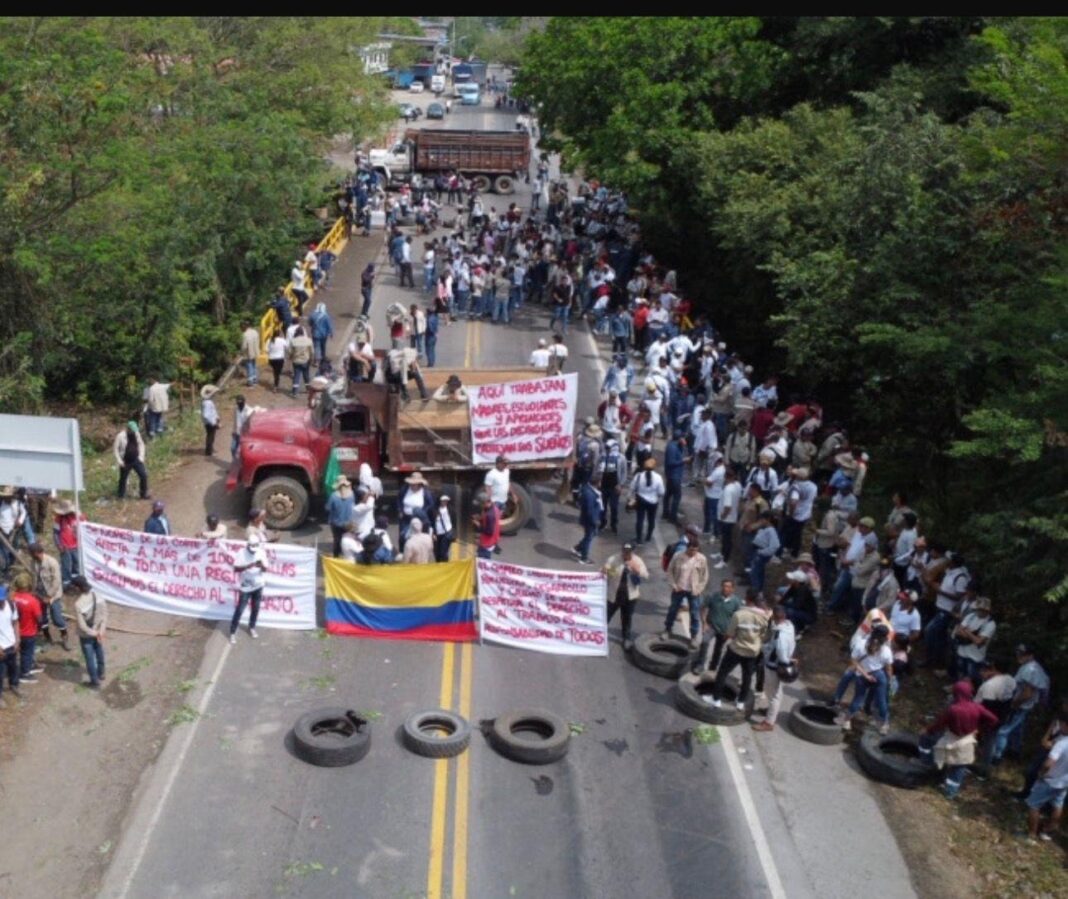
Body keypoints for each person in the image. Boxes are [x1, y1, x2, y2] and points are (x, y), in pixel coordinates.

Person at [918, 679, 999, 798]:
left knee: (940, 756)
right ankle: (950, 792)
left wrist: (928, 730)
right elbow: (994, 720)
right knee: (960, 766)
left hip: (951, 738)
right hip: (967, 740)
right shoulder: (977, 707)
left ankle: (927, 768)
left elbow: (939, 724)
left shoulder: (953, 709)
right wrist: (979, 729)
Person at [990, 644, 1050, 765]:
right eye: (1018, 653)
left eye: (1023, 654)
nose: (1019, 656)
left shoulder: (1030, 669)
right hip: (1024, 705)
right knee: (1017, 729)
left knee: (1003, 731)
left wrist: (1014, 703)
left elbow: (1028, 693)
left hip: (1020, 705)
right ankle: (1014, 752)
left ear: (1031, 655)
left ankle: (997, 756)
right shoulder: (1030, 667)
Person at [709, 589, 769, 710]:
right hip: (752, 652)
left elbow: (730, 633)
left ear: (747, 599)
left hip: (736, 649)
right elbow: (763, 635)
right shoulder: (764, 617)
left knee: (722, 673)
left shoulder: (739, 614)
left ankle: (716, 700)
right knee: (747, 677)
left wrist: (723, 641)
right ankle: (741, 702)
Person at [833, 626, 893, 733]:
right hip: (879, 676)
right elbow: (888, 669)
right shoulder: (886, 649)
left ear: (873, 632)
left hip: (862, 675)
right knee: (881, 701)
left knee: (858, 698)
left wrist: (865, 675)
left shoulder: (861, 644)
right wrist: (889, 681)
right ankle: (884, 725)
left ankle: (847, 722)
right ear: (885, 637)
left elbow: (854, 661)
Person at [751, 604, 797, 732]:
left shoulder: (780, 635)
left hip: (774, 666)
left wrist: (763, 648)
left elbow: (781, 652)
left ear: (775, 618)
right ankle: (771, 711)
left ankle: (769, 722)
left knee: (773, 694)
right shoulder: (789, 626)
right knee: (775, 692)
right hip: (780, 664)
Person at [1024, 712, 1068, 844]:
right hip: (1065, 782)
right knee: (1057, 805)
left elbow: (1048, 763)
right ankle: (1046, 831)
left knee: (1034, 805)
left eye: (1061, 724)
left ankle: (1031, 835)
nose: (1059, 726)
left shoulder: (1062, 743)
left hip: (1050, 780)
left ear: (1066, 725)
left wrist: (1041, 773)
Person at [662, 537, 709, 647]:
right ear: (687, 548)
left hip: (693, 591)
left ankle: (693, 637)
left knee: (694, 614)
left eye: (696, 550)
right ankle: (667, 630)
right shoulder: (678, 556)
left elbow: (705, 577)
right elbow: (670, 572)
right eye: (691, 550)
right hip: (679, 589)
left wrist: (699, 589)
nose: (693, 552)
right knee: (673, 610)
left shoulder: (701, 559)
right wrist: (674, 585)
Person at [694, 579, 740, 674]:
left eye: (728, 586)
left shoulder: (736, 602)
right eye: (723, 586)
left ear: (732, 589)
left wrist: (732, 632)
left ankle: (712, 668)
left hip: (724, 630)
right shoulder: (713, 596)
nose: (725, 588)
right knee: (704, 642)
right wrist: (704, 623)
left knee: (718, 650)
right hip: (711, 626)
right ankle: (700, 665)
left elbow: (738, 618)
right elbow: (702, 608)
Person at [29, 543, 69, 650]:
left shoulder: (52, 562)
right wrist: (33, 591)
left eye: (31, 554)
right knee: (42, 619)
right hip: (39, 595)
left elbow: (56, 581)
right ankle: (48, 639)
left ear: (36, 553)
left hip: (52, 595)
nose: (31, 556)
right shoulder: (33, 562)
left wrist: (49, 596)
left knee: (57, 618)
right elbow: (34, 577)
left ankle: (65, 637)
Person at [950, 596, 995, 683]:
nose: (979, 611)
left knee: (971, 680)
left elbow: (979, 641)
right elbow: (958, 631)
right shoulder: (971, 616)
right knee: (960, 675)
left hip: (975, 657)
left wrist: (967, 631)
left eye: (981, 609)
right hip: (962, 652)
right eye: (978, 609)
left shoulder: (990, 624)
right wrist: (973, 635)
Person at [230, 535, 266, 643]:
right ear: (248, 545)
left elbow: (266, 569)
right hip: (246, 587)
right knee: (240, 609)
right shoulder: (241, 553)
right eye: (251, 550)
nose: (253, 552)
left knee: (256, 608)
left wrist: (262, 566)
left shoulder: (261, 552)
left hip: (258, 586)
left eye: (255, 549)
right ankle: (232, 632)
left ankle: (252, 627)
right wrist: (247, 566)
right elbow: (235, 569)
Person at [10, 574, 43, 683]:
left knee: (24, 652)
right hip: (29, 632)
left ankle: (30, 665)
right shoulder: (33, 601)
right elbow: (39, 618)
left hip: (15, 631)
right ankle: (25, 673)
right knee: (27, 652)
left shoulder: (13, 597)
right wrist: (39, 628)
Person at [628, 458, 664, 546]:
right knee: (651, 520)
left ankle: (639, 538)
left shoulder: (639, 476)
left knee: (640, 519)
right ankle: (648, 537)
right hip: (653, 501)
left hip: (641, 500)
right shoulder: (658, 478)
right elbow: (661, 492)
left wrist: (629, 498)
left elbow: (632, 487)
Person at [397, 472, 435, 550]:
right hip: (405, 517)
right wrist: (400, 510)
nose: (412, 486)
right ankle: (403, 552)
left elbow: (430, 504)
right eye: (411, 484)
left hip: (417, 518)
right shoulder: (405, 489)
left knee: (416, 536)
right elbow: (399, 499)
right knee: (403, 536)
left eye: (414, 484)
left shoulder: (425, 493)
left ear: (419, 484)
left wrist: (423, 512)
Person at [51, 499, 84, 587]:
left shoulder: (78, 516)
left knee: (76, 564)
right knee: (66, 565)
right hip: (65, 546)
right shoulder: (59, 519)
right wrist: (59, 545)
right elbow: (55, 533)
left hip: (77, 545)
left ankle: (76, 581)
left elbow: (85, 528)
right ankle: (66, 582)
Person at [114, 421, 149, 500]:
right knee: (123, 478)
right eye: (132, 430)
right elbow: (115, 449)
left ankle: (143, 493)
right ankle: (120, 495)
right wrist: (119, 461)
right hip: (125, 460)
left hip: (136, 459)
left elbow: (141, 444)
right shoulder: (120, 436)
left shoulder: (136, 434)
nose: (134, 431)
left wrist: (141, 457)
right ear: (128, 429)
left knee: (143, 475)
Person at [747, 510, 780, 594]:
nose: (761, 521)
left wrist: (762, 552)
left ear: (768, 519)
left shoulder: (771, 531)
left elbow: (775, 545)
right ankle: (757, 592)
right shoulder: (764, 529)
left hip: (760, 555)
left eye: (762, 519)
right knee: (757, 573)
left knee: (755, 574)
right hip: (757, 552)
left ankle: (756, 592)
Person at [573, 476, 603, 565]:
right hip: (590, 520)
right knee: (589, 537)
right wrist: (595, 521)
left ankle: (578, 548)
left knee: (591, 535)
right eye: (600, 482)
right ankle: (584, 558)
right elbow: (590, 510)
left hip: (591, 518)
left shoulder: (590, 490)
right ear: (597, 483)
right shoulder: (589, 494)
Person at [0, 585, 21, 703]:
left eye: (2, 600)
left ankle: (14, 685)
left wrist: (17, 640)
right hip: (1, 649)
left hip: (12, 645)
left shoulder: (11, 605)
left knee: (14, 668)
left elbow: (15, 623)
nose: (1, 603)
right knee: (0, 673)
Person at [326, 476, 356, 557]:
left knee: (337, 539)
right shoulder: (352, 494)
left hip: (336, 523)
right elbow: (353, 505)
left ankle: (336, 556)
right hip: (348, 522)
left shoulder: (333, 496)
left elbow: (328, 508)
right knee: (348, 538)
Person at [288, 325, 314, 396]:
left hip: (296, 361)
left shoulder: (293, 341)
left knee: (296, 376)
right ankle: (308, 389)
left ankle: (295, 392)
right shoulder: (308, 340)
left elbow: (290, 351)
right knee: (306, 375)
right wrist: (311, 359)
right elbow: (312, 352)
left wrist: (290, 357)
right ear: (303, 332)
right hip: (305, 360)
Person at [473, 494, 501, 560]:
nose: (480, 506)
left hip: (486, 543)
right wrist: (480, 518)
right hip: (492, 540)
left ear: (485, 503)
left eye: (480, 504)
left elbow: (489, 532)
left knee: (483, 563)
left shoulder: (490, 515)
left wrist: (478, 525)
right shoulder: (495, 508)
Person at [309, 303, 334, 367]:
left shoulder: (313, 315)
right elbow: (329, 325)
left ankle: (317, 361)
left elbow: (310, 323)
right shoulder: (326, 316)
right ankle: (323, 358)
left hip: (315, 334)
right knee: (323, 346)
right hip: (324, 334)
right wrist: (331, 333)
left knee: (317, 347)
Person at [432, 494, 455, 562]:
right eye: (443, 501)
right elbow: (432, 522)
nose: (445, 502)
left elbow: (454, 522)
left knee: (443, 552)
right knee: (437, 553)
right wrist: (433, 533)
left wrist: (453, 533)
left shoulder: (451, 510)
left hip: (447, 533)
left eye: (446, 501)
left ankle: (445, 566)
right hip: (437, 534)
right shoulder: (434, 510)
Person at [200, 384, 221, 456]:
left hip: (209, 422)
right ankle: (209, 452)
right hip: (210, 423)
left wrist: (217, 417)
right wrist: (213, 422)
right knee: (210, 437)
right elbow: (206, 415)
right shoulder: (207, 403)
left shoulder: (206, 402)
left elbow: (212, 412)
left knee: (211, 436)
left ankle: (210, 449)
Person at [232, 394, 253, 460]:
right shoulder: (236, 409)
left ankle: (241, 465)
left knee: (243, 451)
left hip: (244, 434)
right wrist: (234, 430)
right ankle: (235, 463)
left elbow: (251, 423)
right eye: (237, 402)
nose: (238, 404)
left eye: (240, 402)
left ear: (244, 401)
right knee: (233, 448)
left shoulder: (249, 410)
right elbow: (235, 420)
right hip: (237, 432)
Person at [241, 320, 260, 386]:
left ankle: (250, 381)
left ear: (246, 326)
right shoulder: (255, 332)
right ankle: (255, 380)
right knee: (254, 365)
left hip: (248, 353)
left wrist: (242, 352)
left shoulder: (245, 334)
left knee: (249, 366)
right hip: (255, 351)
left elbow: (244, 346)